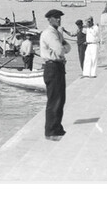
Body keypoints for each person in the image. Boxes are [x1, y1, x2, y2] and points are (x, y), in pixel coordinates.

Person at [39, 9, 71, 141]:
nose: (59, 19)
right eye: (56, 18)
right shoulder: (49, 34)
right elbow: (60, 50)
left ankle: (57, 127)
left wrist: (62, 47)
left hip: (58, 66)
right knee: (54, 100)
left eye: (59, 18)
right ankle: (51, 131)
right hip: (52, 67)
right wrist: (62, 47)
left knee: (60, 99)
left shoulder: (57, 33)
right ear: (50, 19)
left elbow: (68, 48)